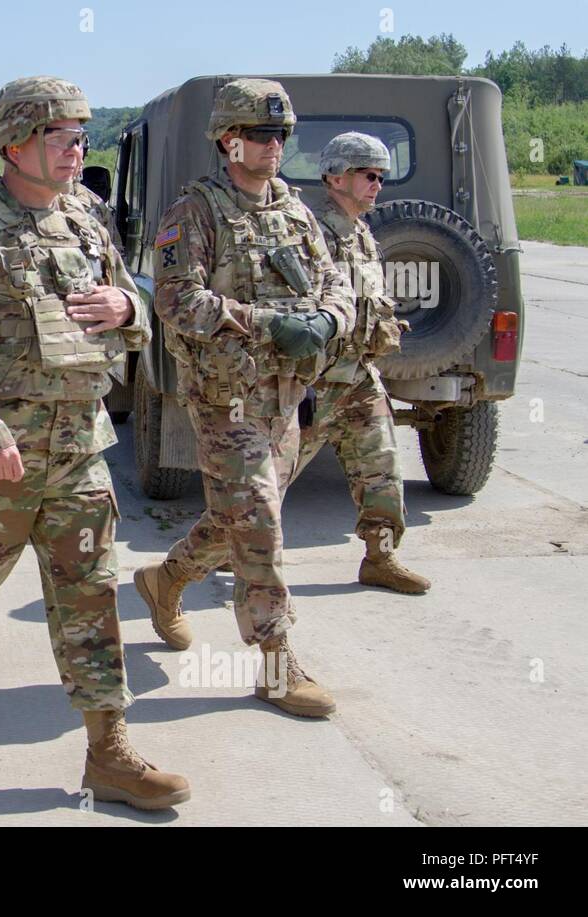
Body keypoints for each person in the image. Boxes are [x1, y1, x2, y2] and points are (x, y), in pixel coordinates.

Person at [0, 77, 189, 811]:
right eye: (61, 137)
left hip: (80, 448)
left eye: (81, 136)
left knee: (91, 598)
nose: (76, 150)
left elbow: (131, 305)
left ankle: (108, 750)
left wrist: (127, 305)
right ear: (14, 141)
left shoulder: (86, 212)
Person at [134, 79, 355, 718]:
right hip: (225, 402)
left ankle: (164, 580)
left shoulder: (294, 209)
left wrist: (329, 321)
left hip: (285, 399)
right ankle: (278, 666)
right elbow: (175, 300)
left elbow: (335, 283)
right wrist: (264, 323)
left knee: (238, 517)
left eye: (282, 135)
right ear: (229, 140)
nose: (274, 146)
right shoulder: (195, 212)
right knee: (260, 524)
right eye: (262, 134)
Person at [294, 131, 430, 594]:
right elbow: (298, 309)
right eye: (367, 175)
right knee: (265, 477)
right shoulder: (311, 235)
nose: (377, 185)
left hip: (358, 376)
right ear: (334, 177)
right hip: (315, 380)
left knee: (383, 469)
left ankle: (381, 556)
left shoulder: (361, 233)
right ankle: (218, 553)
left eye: (381, 177)